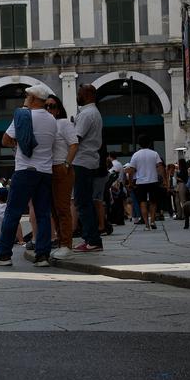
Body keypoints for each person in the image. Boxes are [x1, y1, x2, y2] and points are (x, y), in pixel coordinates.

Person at [0, 83, 57, 267]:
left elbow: (5, 140)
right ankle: (42, 256)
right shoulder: (51, 119)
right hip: (45, 172)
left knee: (13, 212)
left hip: (25, 170)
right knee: (43, 214)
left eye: (26, 96)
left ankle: (3, 255)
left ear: (32, 99)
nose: (24, 99)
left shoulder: (24, 115)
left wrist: (17, 145)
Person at [71, 84, 105, 253]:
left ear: (88, 94)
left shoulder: (86, 114)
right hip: (90, 161)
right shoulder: (94, 112)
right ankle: (90, 238)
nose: (78, 95)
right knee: (85, 202)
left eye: (79, 92)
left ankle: (92, 240)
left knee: (82, 202)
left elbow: (75, 139)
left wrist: (67, 161)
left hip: (82, 161)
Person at [45, 95, 78, 260]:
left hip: (60, 167)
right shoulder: (44, 125)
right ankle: (61, 243)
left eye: (52, 106)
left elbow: (74, 144)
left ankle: (66, 245)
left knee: (63, 208)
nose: (49, 109)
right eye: (46, 106)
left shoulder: (64, 123)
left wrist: (66, 164)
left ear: (58, 109)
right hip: (48, 169)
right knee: (54, 210)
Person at [124, 134, 164, 230]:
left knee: (142, 203)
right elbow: (160, 167)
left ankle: (146, 224)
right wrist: (164, 180)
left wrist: (130, 183)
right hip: (153, 180)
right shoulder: (154, 154)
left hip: (140, 182)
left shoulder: (135, 155)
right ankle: (153, 221)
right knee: (153, 202)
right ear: (149, 143)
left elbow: (131, 171)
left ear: (139, 144)